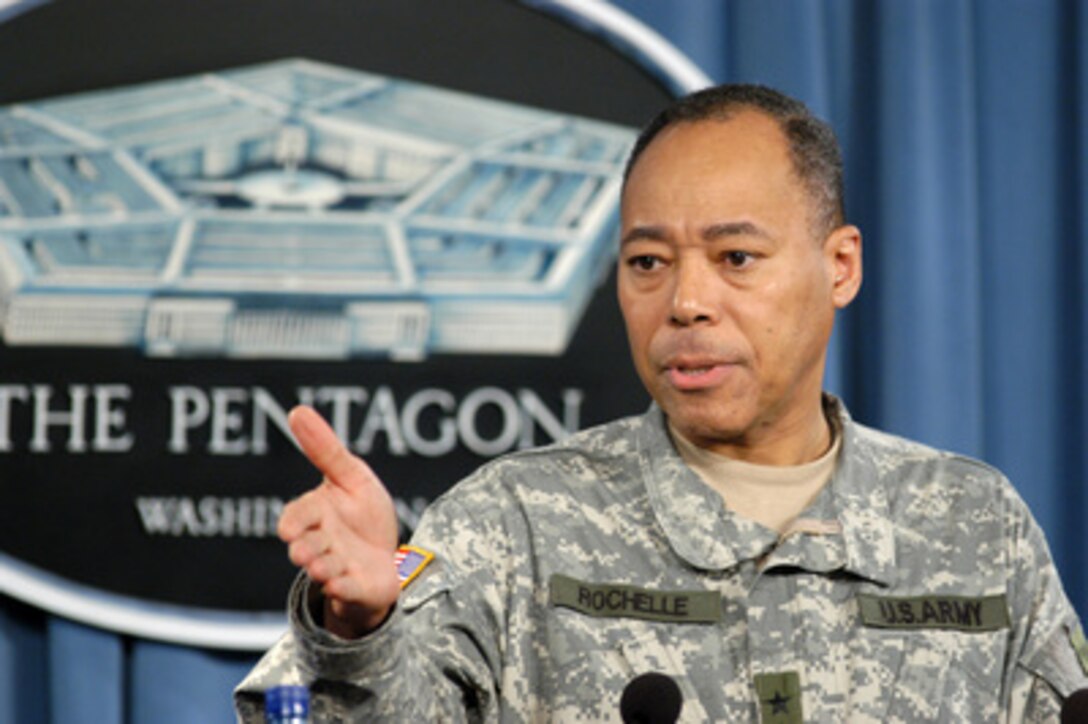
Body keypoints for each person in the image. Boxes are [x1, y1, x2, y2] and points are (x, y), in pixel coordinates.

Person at [235, 84, 1088, 722]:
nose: (685, 302)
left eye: (736, 258)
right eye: (648, 262)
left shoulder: (974, 525)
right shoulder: (518, 523)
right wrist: (358, 626)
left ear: (841, 266)